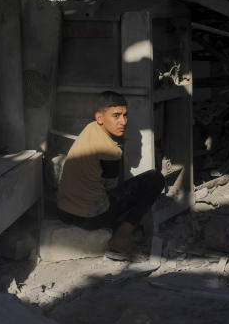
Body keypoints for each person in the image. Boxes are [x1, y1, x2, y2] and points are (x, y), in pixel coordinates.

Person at [57, 91, 165, 260]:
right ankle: (121, 238)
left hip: (64, 212)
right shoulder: (110, 150)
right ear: (100, 118)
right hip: (89, 219)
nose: (123, 121)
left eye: (125, 115)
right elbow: (111, 188)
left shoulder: (89, 128)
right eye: (116, 115)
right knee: (155, 179)